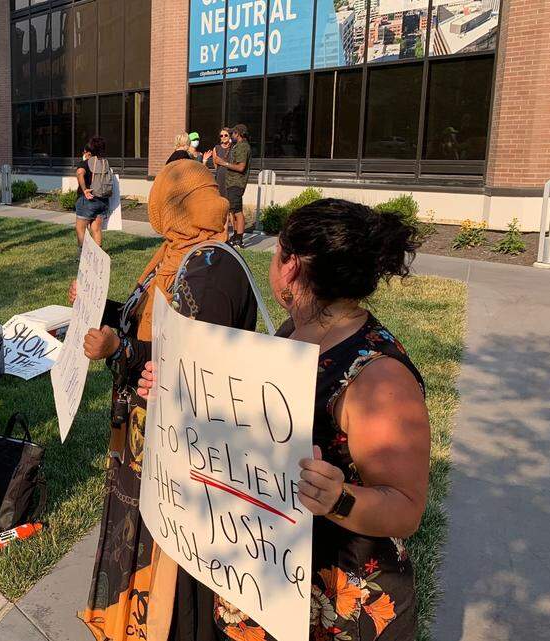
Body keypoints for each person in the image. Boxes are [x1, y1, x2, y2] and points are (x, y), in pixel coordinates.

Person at [137, 198, 429, 641]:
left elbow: (406, 509)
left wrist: (337, 498)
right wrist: (178, 393)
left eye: (275, 252)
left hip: (337, 604)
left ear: (290, 266)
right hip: (267, 579)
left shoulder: (379, 378)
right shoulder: (297, 330)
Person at [77, 159, 259, 641]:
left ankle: (155, 626)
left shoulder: (211, 269)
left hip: (179, 447)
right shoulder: (177, 254)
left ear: (170, 207)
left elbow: (189, 368)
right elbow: (151, 322)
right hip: (147, 432)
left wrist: (121, 349)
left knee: (171, 561)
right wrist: (101, 310)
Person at [211, 123, 252, 247]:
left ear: (238, 134)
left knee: (237, 211)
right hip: (231, 183)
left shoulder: (242, 147)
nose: (231, 135)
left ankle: (239, 239)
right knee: (233, 210)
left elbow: (241, 167)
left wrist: (223, 163)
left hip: (236, 183)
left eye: (233, 133)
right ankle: (235, 236)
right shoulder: (238, 146)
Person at [74, 136, 111, 248]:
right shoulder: (105, 163)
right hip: (103, 201)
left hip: (88, 200)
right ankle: (97, 258)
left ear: (89, 151)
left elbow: (80, 173)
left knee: (81, 229)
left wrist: (85, 189)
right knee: (96, 229)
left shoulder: (85, 163)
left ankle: (82, 256)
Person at [202, 127, 233, 197]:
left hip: (230, 178)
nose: (223, 137)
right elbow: (216, 166)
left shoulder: (233, 148)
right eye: (221, 136)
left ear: (230, 136)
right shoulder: (216, 148)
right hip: (220, 178)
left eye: (226, 135)